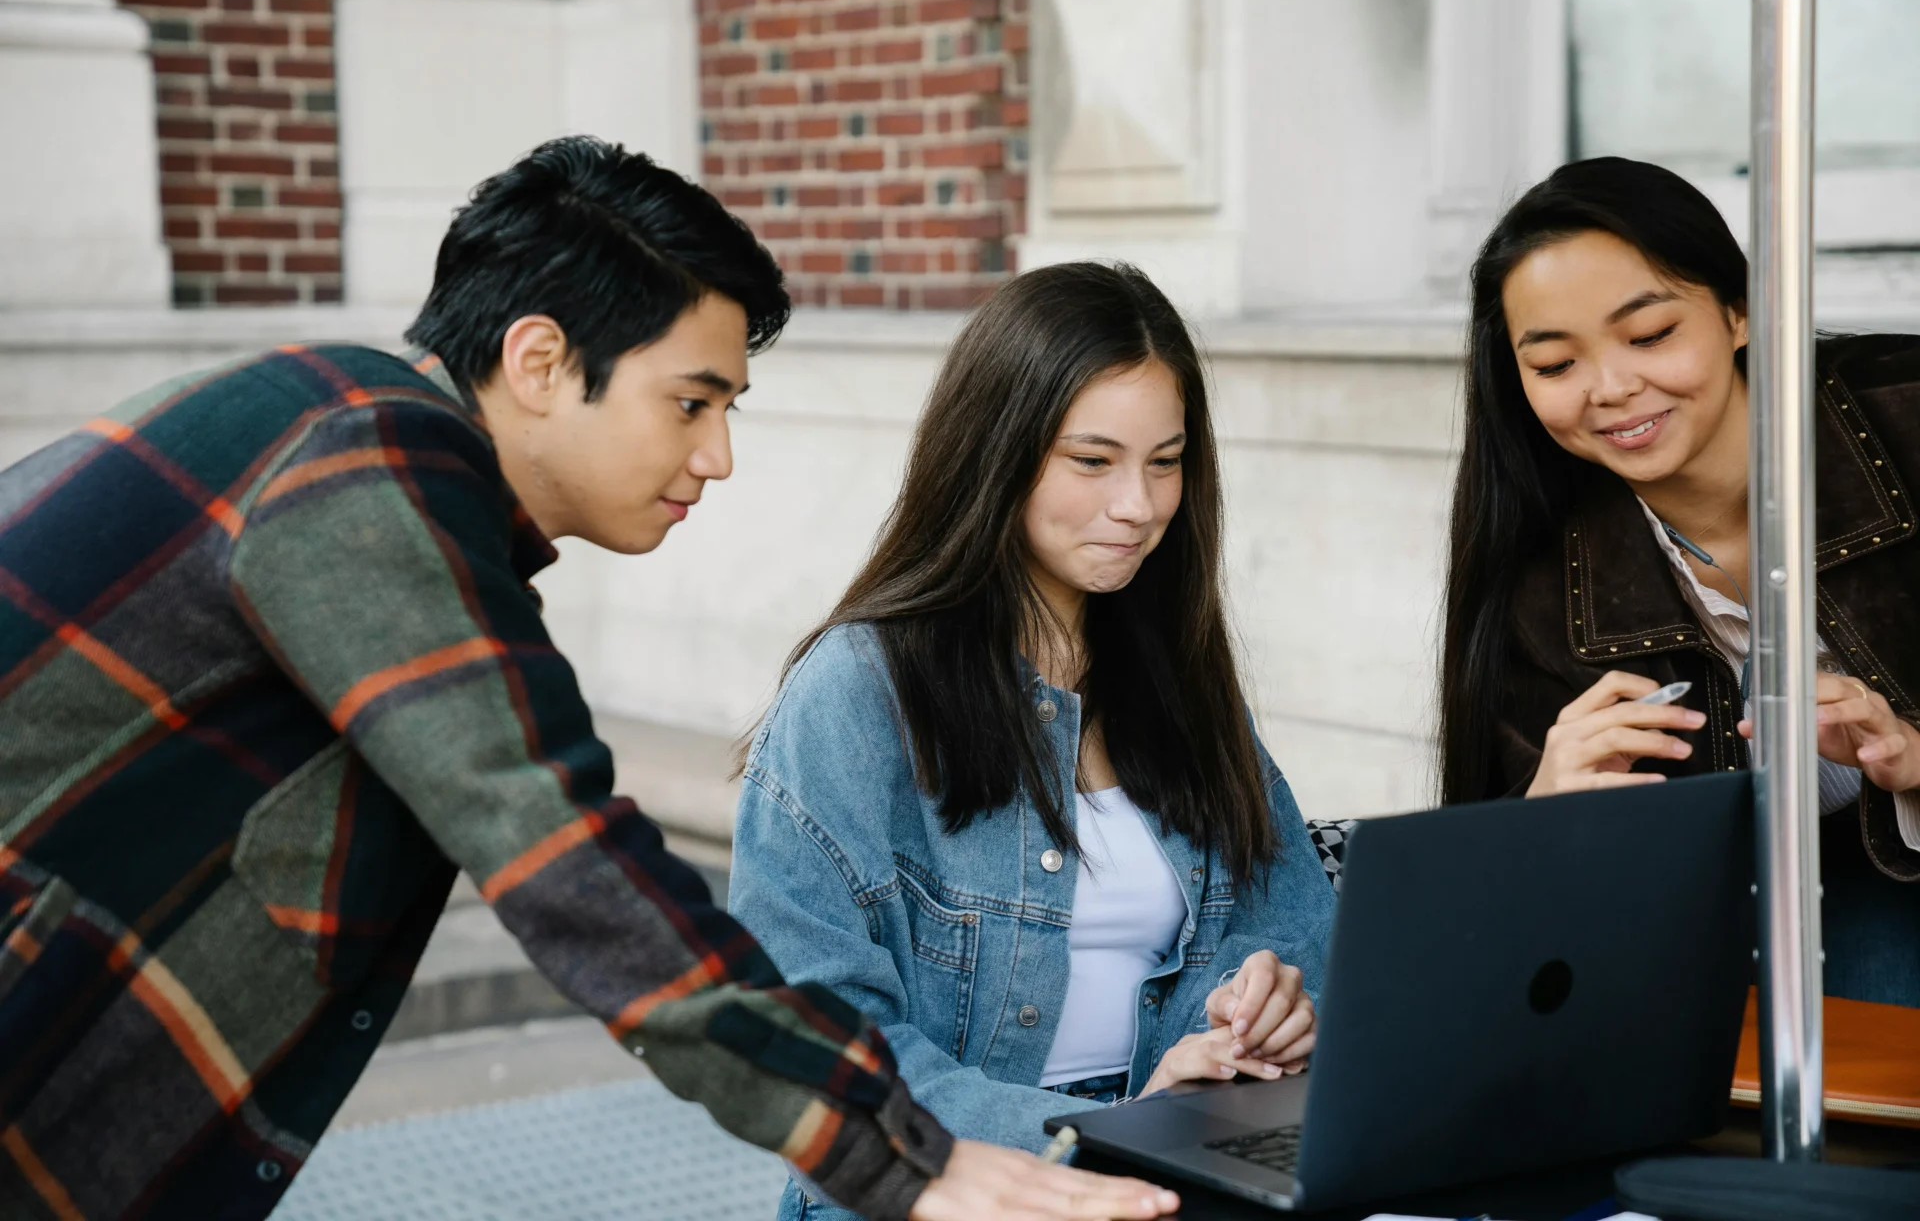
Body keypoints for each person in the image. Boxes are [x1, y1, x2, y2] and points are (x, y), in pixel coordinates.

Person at [0, 138, 1180, 1221]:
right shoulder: (357, 459)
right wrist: (900, 1153)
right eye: (692, 402)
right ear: (541, 360)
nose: (717, 455)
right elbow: (555, 845)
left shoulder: (361, 458)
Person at [728, 261, 1336, 1220]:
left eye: (1166, 460)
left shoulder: (1182, 678)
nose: (1138, 504)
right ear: (995, 453)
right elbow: (816, 1032)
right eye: (1091, 461)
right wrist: (1102, 1133)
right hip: (953, 1191)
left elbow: (1293, 920)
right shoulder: (858, 692)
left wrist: (1250, 1011)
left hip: (1176, 1171)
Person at [1438, 155, 1920, 1006]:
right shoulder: (1534, 571)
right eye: (1554, 365)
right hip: (1703, 947)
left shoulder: (1903, 418)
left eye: (1651, 335)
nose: (1613, 388)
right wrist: (1547, 812)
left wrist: (1913, 761)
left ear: (1740, 311)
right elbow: (1497, 928)